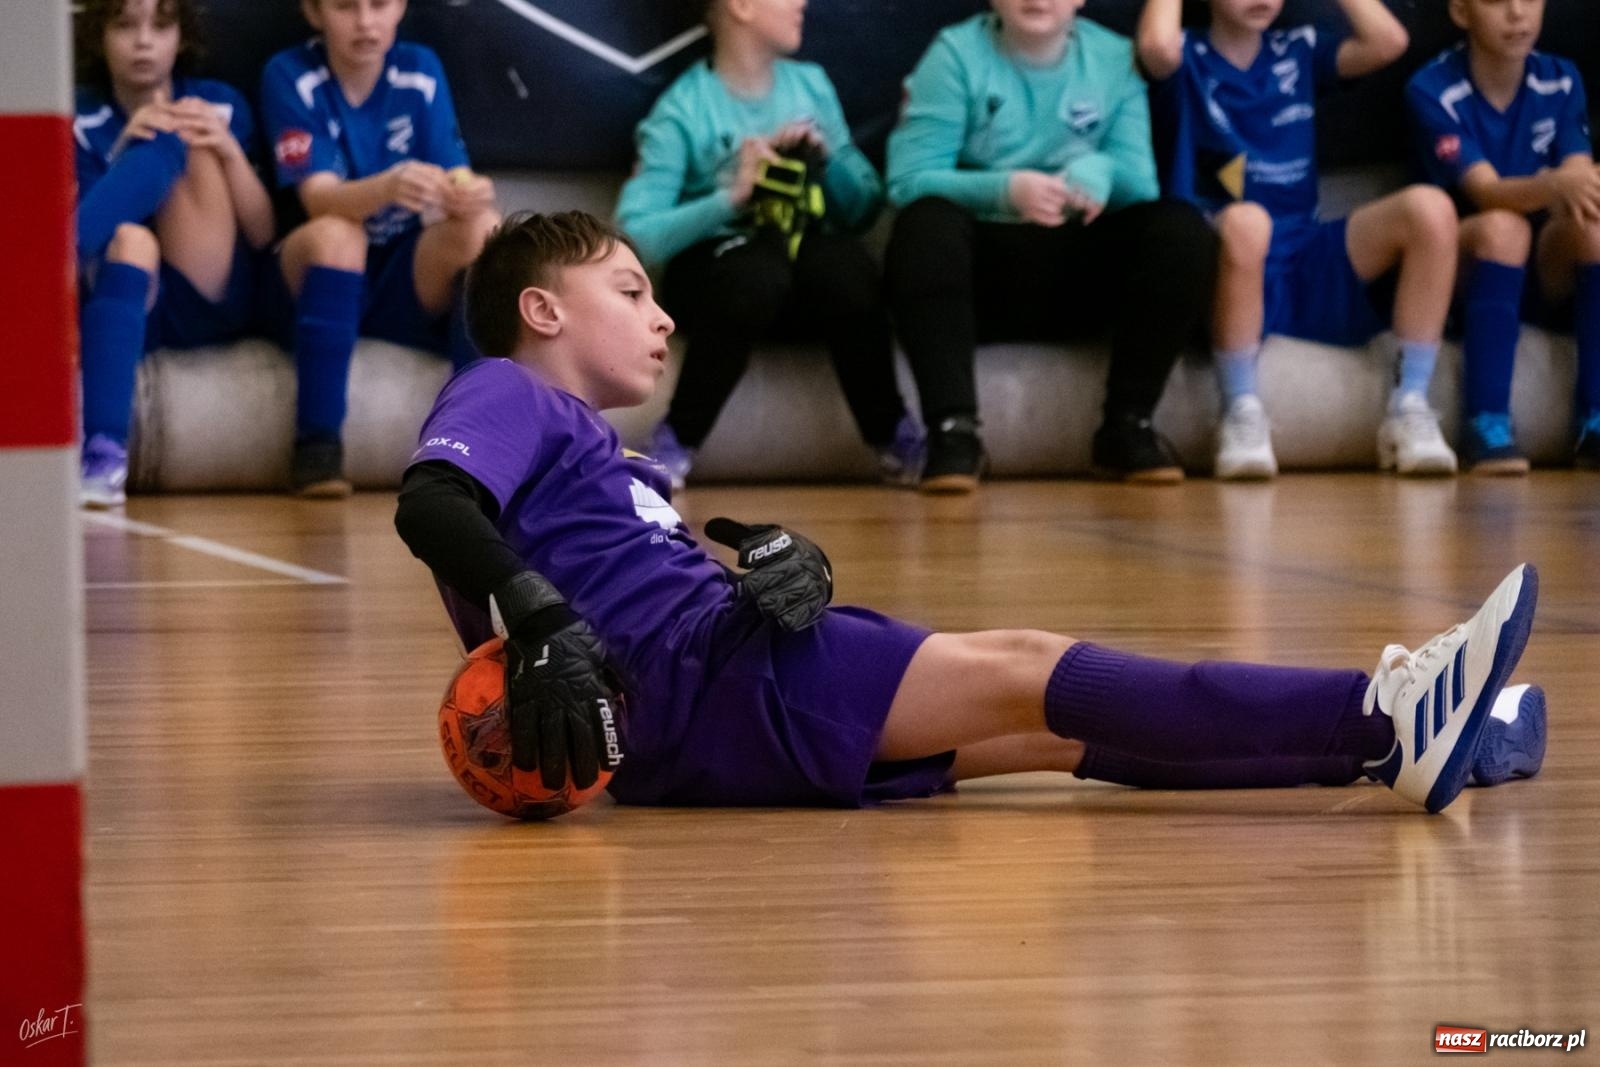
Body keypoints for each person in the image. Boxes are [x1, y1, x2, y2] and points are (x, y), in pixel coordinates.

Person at [393, 210, 1546, 815]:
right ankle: (1383, 703)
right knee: (1034, 663)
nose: (659, 317)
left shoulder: (615, 455)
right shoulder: (505, 389)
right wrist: (538, 615)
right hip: (720, 680)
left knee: (1047, 735)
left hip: (698, 713)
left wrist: (771, 564)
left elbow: (626, 579)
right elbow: (432, 501)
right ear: (540, 309)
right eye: (631, 290)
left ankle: (1389, 748)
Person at [883, 0, 1219, 492]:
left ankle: (1128, 426)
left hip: (1080, 275)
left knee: (1181, 228)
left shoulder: (1112, 57)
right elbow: (906, 181)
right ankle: (953, 432)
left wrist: (1100, 172)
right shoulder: (955, 54)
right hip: (983, 283)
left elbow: (1142, 184)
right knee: (923, 225)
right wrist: (1004, 189)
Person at [1138, 0, 1461, 479]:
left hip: (1305, 247)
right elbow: (1156, 46)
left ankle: (1409, 406)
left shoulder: (1299, 49)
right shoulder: (1188, 52)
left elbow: (1388, 42)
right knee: (1249, 222)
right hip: (1230, 257)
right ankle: (1241, 411)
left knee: (1430, 209)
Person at [614, 0, 921, 490]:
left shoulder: (811, 86)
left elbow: (864, 210)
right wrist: (732, 196)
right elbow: (635, 234)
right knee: (756, 272)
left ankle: (895, 439)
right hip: (719, 283)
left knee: (847, 268)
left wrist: (827, 163)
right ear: (741, 7)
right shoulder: (684, 107)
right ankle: (675, 442)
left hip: (802, 281)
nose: (802, 3)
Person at [259, 0, 499, 497]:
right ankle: (317, 449)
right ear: (312, 11)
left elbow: (455, 173)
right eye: (347, 6)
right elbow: (317, 197)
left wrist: (470, 191)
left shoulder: (420, 68)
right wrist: (387, 187)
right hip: (315, 277)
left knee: (483, 227)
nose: (366, 22)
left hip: (397, 278)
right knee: (336, 232)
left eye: (379, 4)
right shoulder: (289, 73)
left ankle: (484, 446)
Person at [73, 0, 275, 508]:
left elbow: (263, 232)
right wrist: (123, 151)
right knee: (132, 240)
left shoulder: (218, 102)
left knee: (181, 128)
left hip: (202, 292)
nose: (144, 41)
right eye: (125, 25)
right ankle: (103, 453)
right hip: (117, 291)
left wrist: (228, 150)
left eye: (160, 26)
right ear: (99, 35)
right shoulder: (78, 113)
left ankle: (32, 279)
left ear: (181, 36)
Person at [1406, 0, 1600, 473]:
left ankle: (1595, 419)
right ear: (1459, 12)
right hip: (1467, 266)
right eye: (1496, 0)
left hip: (1545, 263)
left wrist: (1578, 184)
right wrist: (1554, 185)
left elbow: (1580, 181)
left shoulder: (1561, 76)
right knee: (1503, 228)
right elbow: (1487, 192)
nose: (1518, 13)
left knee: (1593, 228)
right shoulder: (1432, 87)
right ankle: (1486, 420)